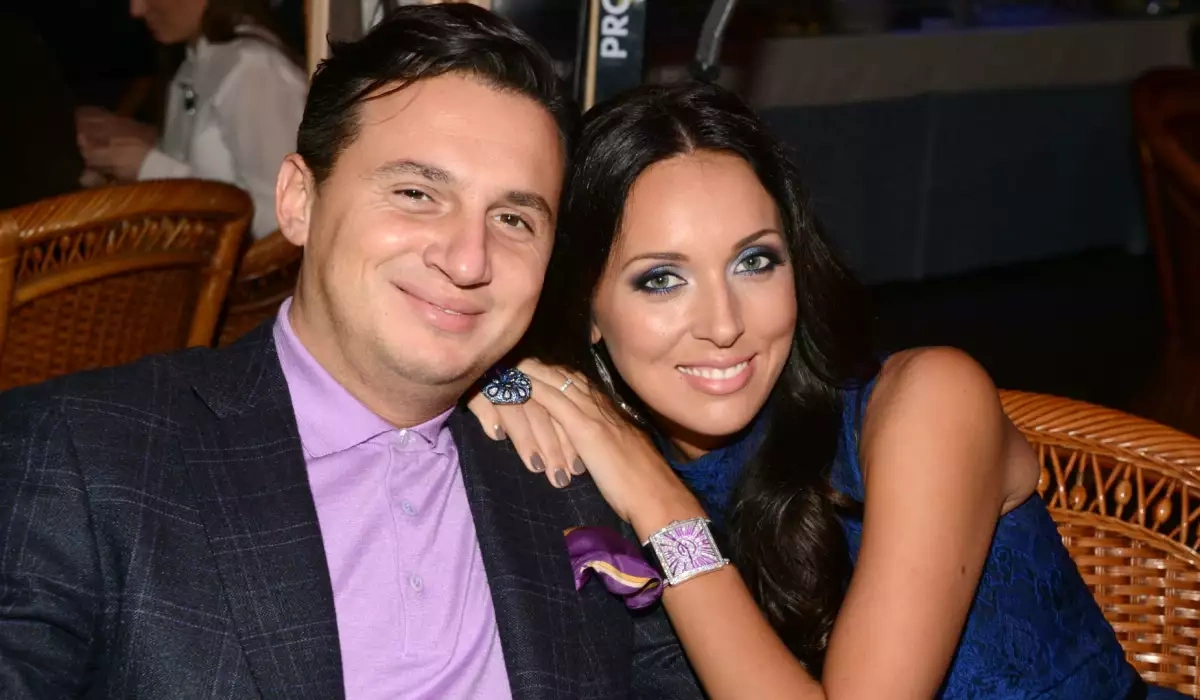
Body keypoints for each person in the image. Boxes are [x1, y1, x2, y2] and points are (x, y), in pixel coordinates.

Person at [0, 6, 703, 699]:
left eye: (513, 218)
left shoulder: (569, 459)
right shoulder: (87, 454)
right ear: (298, 201)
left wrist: (670, 513)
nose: (468, 260)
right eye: (417, 193)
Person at [469, 81, 1189, 699]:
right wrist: (489, 385)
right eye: (662, 279)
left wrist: (662, 505)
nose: (724, 325)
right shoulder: (606, 429)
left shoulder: (930, 402)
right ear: (589, 309)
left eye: (755, 262)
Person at [74, 0, 307, 238]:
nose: (136, 10)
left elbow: (283, 220)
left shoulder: (253, 68)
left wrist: (149, 167)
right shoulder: (195, 61)